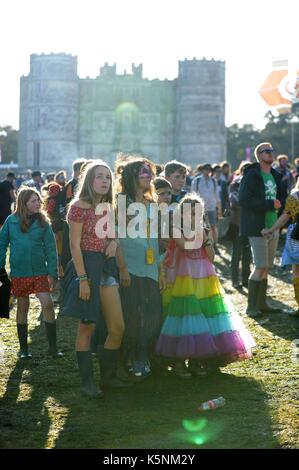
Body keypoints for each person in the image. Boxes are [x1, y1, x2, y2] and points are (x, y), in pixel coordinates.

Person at [155, 193, 255, 375]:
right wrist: (199, 235)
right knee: (184, 316)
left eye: (198, 213)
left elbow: (211, 256)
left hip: (203, 277)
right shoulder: (177, 230)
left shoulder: (204, 230)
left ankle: (196, 359)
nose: (195, 217)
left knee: (202, 316)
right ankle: (178, 362)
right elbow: (186, 246)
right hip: (183, 278)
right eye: (191, 213)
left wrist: (207, 239)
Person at [61, 160, 130, 398]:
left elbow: (113, 237)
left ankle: (108, 377)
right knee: (87, 326)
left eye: (108, 177)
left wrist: (114, 241)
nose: (104, 181)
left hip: (106, 270)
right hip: (86, 268)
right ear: (89, 180)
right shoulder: (78, 206)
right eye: (99, 176)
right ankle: (88, 382)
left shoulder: (108, 208)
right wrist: (82, 279)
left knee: (117, 327)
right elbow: (74, 246)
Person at [0, 188, 63, 359]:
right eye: (33, 200)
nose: (38, 203)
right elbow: (1, 243)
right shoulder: (11, 221)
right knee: (22, 306)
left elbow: (51, 248)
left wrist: (52, 273)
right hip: (20, 272)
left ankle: (52, 348)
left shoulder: (44, 222)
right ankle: (24, 350)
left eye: (38, 200)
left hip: (40, 272)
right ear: (24, 203)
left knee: (48, 304)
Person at [116, 158, 162, 377]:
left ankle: (143, 354)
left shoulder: (152, 202)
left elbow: (154, 237)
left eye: (149, 172)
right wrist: (123, 268)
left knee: (154, 313)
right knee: (132, 315)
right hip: (130, 266)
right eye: (144, 172)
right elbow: (116, 238)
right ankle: (130, 357)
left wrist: (159, 268)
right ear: (132, 176)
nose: (149, 175)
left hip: (151, 266)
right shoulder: (119, 202)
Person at [239, 142, 283, 317]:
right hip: (258, 227)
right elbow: (244, 199)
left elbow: (281, 199)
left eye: (272, 150)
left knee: (267, 268)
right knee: (260, 266)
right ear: (258, 155)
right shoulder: (251, 175)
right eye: (267, 151)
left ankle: (262, 303)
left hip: (274, 226)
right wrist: (269, 204)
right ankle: (251, 307)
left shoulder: (275, 175)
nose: (271, 153)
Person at [262, 179, 299, 317]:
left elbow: (285, 216)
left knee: (297, 272)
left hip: (297, 236)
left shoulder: (295, 196)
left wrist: (272, 229)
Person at [229, 162, 252, 288]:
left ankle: (245, 280)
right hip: (238, 222)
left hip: (249, 223)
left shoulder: (254, 183)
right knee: (237, 254)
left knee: (247, 254)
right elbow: (235, 200)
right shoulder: (236, 182)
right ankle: (235, 280)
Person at [191, 162, 222, 246]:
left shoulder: (213, 180)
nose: (207, 171)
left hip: (211, 207)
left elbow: (217, 196)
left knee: (213, 226)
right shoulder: (196, 180)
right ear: (202, 170)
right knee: (200, 227)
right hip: (200, 208)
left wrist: (219, 209)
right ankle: (201, 244)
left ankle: (215, 244)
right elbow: (192, 194)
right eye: (206, 169)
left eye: (209, 170)